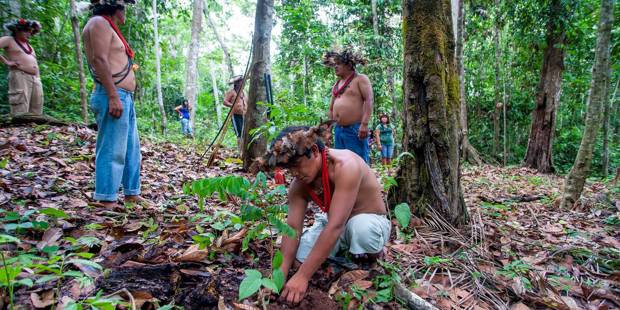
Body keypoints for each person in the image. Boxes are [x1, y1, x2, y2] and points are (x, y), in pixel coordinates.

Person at [254, 122, 390, 304]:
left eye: (297, 165)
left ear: (315, 152)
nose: (295, 173)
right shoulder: (298, 186)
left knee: (362, 231)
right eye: (289, 168)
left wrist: (303, 277)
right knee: (299, 258)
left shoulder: (346, 165)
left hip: (367, 220)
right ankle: (343, 254)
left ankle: (373, 256)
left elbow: (335, 225)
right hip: (335, 225)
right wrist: (278, 276)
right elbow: (292, 228)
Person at [83, 0, 150, 208]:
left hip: (124, 96)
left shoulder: (107, 25)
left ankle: (131, 193)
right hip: (112, 94)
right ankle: (105, 198)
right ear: (115, 7)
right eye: (124, 7)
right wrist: (113, 95)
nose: (126, 11)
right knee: (112, 148)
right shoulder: (98, 23)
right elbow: (99, 60)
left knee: (131, 148)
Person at [324, 48, 373, 163]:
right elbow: (331, 109)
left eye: (339, 64)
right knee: (341, 163)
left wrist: (364, 124)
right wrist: (328, 130)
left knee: (358, 162)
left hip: (355, 129)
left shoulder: (360, 79)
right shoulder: (336, 84)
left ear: (349, 64)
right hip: (339, 130)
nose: (335, 67)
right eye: (334, 64)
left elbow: (369, 100)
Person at [0, 19, 43, 116]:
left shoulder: (30, 46)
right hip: (20, 75)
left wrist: (38, 78)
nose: (29, 34)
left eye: (30, 31)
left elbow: (35, 63)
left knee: (36, 111)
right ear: (17, 30)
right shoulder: (9, 40)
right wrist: (6, 62)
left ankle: (34, 131)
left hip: (35, 79)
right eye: (26, 31)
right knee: (20, 110)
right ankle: (19, 131)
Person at [223, 75, 247, 152]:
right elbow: (225, 102)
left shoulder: (244, 92)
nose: (242, 83)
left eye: (242, 82)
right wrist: (233, 105)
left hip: (244, 115)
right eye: (240, 82)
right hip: (235, 115)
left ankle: (244, 150)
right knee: (239, 133)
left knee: (245, 133)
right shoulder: (231, 92)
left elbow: (247, 102)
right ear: (236, 83)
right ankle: (240, 151)